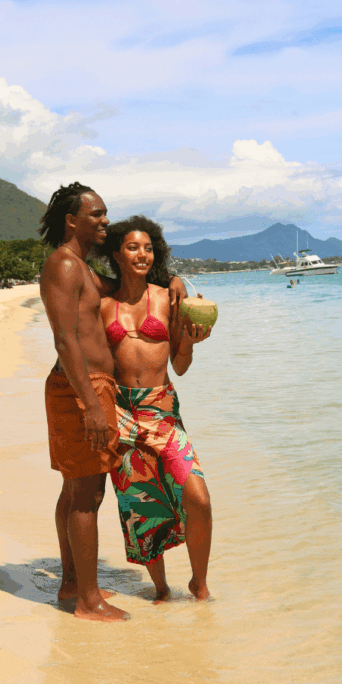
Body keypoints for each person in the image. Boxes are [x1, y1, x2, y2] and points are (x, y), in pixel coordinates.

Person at [39, 184, 187, 621]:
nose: (105, 220)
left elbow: (127, 287)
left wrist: (172, 280)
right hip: (81, 387)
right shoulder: (65, 265)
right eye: (97, 214)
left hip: (86, 385)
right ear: (73, 220)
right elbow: (65, 339)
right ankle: (88, 601)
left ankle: (72, 583)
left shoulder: (81, 268)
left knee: (74, 489)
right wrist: (90, 404)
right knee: (87, 494)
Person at [98, 215, 213, 603]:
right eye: (132, 247)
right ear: (117, 254)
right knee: (140, 508)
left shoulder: (168, 299)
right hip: (121, 413)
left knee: (197, 495)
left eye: (148, 248)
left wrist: (189, 343)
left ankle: (199, 583)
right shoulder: (103, 306)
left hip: (162, 410)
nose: (142, 254)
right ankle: (161, 588)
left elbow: (180, 366)